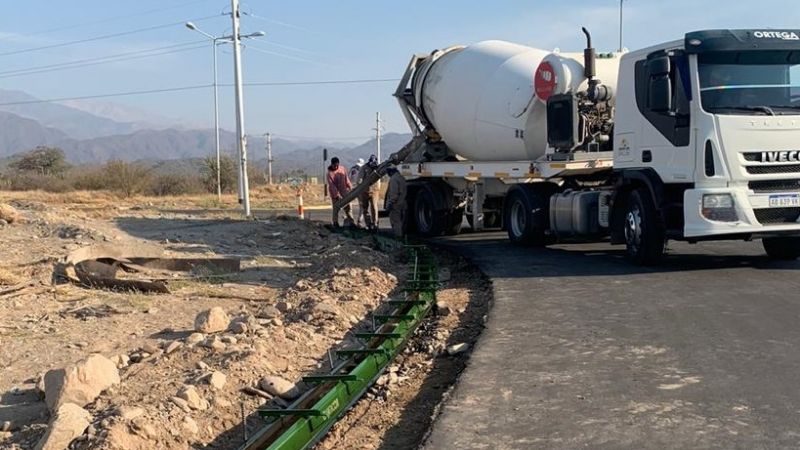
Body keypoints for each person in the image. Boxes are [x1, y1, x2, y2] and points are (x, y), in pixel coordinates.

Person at [327, 156, 353, 226]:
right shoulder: (330, 173)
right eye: (334, 165)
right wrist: (337, 195)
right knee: (336, 209)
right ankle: (335, 223)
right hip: (335, 195)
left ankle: (351, 222)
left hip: (344, 192)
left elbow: (346, 179)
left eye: (337, 165)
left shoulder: (342, 169)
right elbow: (332, 185)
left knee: (348, 208)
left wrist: (350, 187)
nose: (336, 167)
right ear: (332, 164)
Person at [357, 155, 380, 231]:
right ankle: (369, 224)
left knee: (374, 207)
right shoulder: (364, 168)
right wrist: (360, 185)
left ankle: (375, 223)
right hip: (365, 191)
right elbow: (359, 179)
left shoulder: (377, 168)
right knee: (365, 208)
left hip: (374, 190)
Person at [384, 166, 407, 238]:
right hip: (403, 202)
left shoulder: (394, 179)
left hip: (396, 204)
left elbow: (394, 194)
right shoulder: (401, 177)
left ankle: (398, 237)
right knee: (401, 221)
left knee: (395, 221)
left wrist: (390, 204)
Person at [349, 158, 366, 226]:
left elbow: (349, 178)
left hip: (352, 188)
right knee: (361, 205)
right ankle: (358, 221)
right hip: (358, 188)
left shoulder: (352, 169)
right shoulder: (363, 169)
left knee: (350, 204)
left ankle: (353, 220)